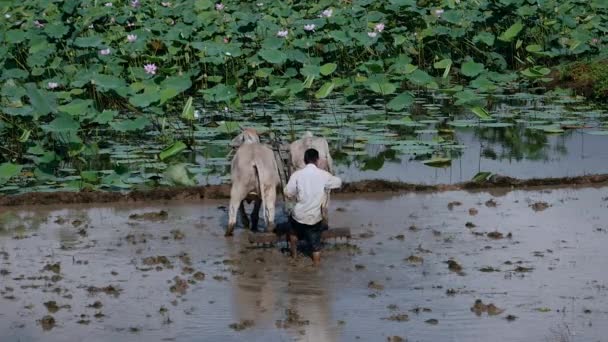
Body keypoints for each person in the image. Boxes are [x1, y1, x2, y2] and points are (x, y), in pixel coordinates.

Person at [279, 148, 342, 266]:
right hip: (314, 218)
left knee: (292, 232)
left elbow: (287, 192)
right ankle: (316, 266)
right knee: (316, 247)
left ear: (304, 160)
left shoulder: (297, 175)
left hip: (299, 216)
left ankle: (294, 256)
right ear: (317, 160)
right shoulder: (323, 175)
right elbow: (338, 182)